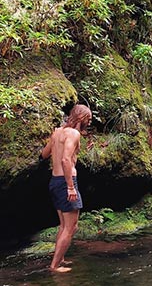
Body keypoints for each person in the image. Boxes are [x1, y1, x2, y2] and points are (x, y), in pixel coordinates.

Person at [40, 104, 92, 273]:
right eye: (89, 119)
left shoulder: (58, 132)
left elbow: (44, 154)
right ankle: (54, 266)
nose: (89, 123)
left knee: (64, 225)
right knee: (71, 226)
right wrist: (70, 187)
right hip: (66, 182)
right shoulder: (74, 134)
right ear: (82, 118)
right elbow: (65, 160)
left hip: (55, 181)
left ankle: (60, 259)